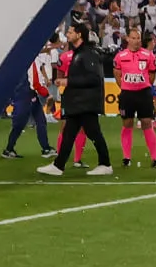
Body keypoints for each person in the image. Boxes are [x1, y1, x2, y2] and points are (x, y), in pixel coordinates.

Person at [38, 21, 113, 177]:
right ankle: (58, 165)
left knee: (93, 133)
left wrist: (68, 81)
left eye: (70, 32)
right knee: (69, 133)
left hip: (86, 102)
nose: (67, 34)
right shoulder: (80, 53)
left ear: (79, 35)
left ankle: (105, 164)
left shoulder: (88, 54)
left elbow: (94, 79)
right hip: (78, 102)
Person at [0, 38, 56, 161]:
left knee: (40, 121)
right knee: (21, 124)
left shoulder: (24, 58)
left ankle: (46, 148)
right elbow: (35, 82)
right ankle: (9, 149)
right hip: (26, 95)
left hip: (26, 94)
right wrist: (47, 94)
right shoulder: (31, 60)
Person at [115, 25, 156, 168]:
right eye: (133, 38)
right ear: (128, 39)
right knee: (127, 123)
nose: (136, 41)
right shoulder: (120, 56)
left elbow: (152, 74)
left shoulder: (148, 55)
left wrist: (144, 85)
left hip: (144, 93)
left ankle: (155, 158)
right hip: (127, 94)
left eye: (138, 38)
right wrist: (125, 87)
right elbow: (117, 74)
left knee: (147, 122)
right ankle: (126, 157)